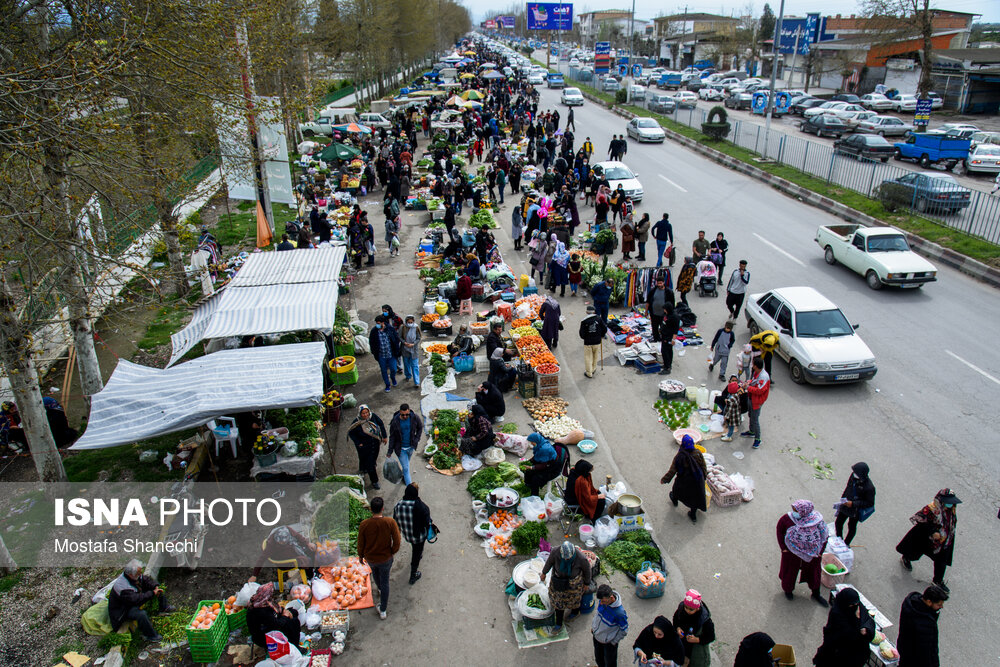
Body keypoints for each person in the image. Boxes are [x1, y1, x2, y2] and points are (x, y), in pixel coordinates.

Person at [896, 488, 961, 592]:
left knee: (941, 561)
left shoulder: (951, 510)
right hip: (926, 539)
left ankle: (937, 581)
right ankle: (906, 558)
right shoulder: (931, 509)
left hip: (943, 541)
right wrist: (933, 532)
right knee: (915, 551)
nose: (950, 505)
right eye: (948, 502)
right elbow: (921, 519)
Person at [776, 499, 829, 606]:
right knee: (790, 573)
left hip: (812, 554)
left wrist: (820, 552)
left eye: (796, 510)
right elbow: (780, 530)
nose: (794, 512)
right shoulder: (787, 519)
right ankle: (788, 590)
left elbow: (824, 536)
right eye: (794, 509)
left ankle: (816, 593)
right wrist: (784, 548)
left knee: (814, 573)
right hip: (792, 553)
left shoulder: (817, 521)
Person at [357, 497, 401, 620]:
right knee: (385, 580)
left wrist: (360, 555)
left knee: (376, 575)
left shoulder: (364, 524)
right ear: (382, 508)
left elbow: (360, 543)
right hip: (385, 559)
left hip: (371, 559)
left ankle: (380, 589)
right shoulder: (390, 522)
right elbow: (397, 541)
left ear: (371, 509)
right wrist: (392, 552)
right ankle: (383, 610)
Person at [108, 559, 173, 641]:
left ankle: (164, 607)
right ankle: (150, 635)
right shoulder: (123, 587)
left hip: (132, 599)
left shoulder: (134, 576)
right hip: (123, 609)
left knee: (158, 589)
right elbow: (136, 600)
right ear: (131, 574)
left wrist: (155, 586)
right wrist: (152, 593)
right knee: (141, 615)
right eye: (138, 573)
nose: (140, 575)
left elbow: (145, 580)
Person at [812, 586, 876, 667]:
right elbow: (842, 635)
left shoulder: (858, 607)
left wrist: (866, 629)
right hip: (836, 654)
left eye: (856, 604)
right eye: (852, 605)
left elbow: (868, 621)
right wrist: (857, 622)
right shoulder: (837, 614)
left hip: (855, 656)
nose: (855, 606)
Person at [542, 541, 592, 633]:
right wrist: (544, 573)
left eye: (568, 558)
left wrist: (586, 583)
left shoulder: (581, 558)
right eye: (564, 558)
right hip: (558, 581)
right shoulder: (555, 551)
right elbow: (549, 562)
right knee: (558, 603)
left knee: (574, 599)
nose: (565, 560)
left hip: (573, 583)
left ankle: (575, 612)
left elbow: (587, 571)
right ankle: (558, 624)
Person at [661, 434, 708, 523]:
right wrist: (704, 477)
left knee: (677, 490)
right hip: (697, 480)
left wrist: (665, 479)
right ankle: (693, 515)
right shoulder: (698, 453)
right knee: (695, 497)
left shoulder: (680, 456)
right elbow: (703, 466)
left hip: (684, 480)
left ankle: (674, 499)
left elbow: (673, 470)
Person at [897, 585, 947, 667]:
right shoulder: (926, 624)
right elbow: (927, 652)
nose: (941, 607)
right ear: (929, 602)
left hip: (904, 649)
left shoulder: (910, 603)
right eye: (939, 605)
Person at [392, 483, 432, 585]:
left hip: (407, 535)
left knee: (415, 548)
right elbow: (427, 523)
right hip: (419, 537)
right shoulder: (422, 507)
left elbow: (395, 522)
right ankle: (413, 575)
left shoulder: (398, 506)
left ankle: (418, 554)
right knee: (416, 553)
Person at [246, 582, 301, 650]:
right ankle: (295, 646)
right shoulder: (261, 610)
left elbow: (277, 610)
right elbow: (277, 624)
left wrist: (284, 611)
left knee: (293, 612)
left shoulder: (262, 601)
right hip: (263, 636)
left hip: (269, 625)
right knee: (293, 622)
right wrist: (285, 616)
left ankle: (292, 638)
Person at [834, 462, 876, 546]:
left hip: (855, 510)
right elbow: (848, 488)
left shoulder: (869, 488)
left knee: (851, 526)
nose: (854, 474)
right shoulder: (853, 477)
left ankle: (846, 543)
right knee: (838, 522)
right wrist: (843, 500)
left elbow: (869, 503)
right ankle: (839, 539)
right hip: (845, 504)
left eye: (856, 472)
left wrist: (853, 504)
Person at [671, 589, 715, 667]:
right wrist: (678, 628)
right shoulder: (681, 610)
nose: (687, 611)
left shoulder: (705, 621)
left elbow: (711, 637)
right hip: (682, 644)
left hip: (696, 650)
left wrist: (697, 639)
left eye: (691, 609)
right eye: (686, 607)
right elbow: (675, 619)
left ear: (697, 608)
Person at [347, 405, 387, 489]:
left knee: (372, 459)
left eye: (366, 412)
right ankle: (375, 481)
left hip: (375, 444)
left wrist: (384, 436)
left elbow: (381, 424)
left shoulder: (373, 417)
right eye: (363, 413)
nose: (365, 415)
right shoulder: (357, 422)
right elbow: (351, 433)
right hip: (364, 446)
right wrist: (358, 443)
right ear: (360, 414)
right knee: (370, 464)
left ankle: (363, 469)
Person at [592, 583, 629, 667]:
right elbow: (598, 615)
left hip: (608, 643)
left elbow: (624, 630)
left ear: (611, 598)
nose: (601, 603)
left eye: (603, 601)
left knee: (610, 662)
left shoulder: (619, 613)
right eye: (600, 600)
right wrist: (594, 627)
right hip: (597, 637)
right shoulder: (603, 602)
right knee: (599, 659)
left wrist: (613, 642)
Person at [388, 403, 423, 486]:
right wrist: (390, 451)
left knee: (406, 465)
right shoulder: (395, 421)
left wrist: (417, 439)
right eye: (402, 415)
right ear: (400, 412)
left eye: (407, 414)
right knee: (406, 468)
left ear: (409, 411)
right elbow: (392, 437)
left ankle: (403, 475)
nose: (405, 416)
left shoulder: (414, 417)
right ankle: (410, 489)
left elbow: (420, 427)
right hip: (401, 449)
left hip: (411, 447)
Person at [523, 432, 564, 497]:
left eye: (532, 442)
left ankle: (534, 496)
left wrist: (532, 467)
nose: (531, 443)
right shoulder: (540, 443)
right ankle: (528, 486)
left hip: (553, 468)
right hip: (546, 463)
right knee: (528, 472)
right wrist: (529, 461)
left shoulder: (544, 449)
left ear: (536, 441)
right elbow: (536, 456)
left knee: (536, 478)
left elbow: (544, 465)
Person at [741, 357, 769, 449]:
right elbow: (754, 381)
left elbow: (759, 390)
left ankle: (757, 439)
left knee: (755, 419)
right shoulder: (756, 373)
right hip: (751, 398)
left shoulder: (763, 377)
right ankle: (751, 431)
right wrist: (748, 382)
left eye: (753, 364)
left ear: (756, 366)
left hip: (757, 401)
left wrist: (747, 387)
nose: (752, 366)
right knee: (750, 415)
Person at [369, 315, 402, 392]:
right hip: (381, 356)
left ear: (383, 323)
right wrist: (374, 352)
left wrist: (397, 350)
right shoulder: (374, 331)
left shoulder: (390, 329)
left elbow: (395, 339)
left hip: (391, 354)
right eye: (376, 323)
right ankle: (387, 384)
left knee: (393, 369)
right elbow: (371, 343)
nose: (377, 325)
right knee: (384, 371)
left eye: (379, 323)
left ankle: (393, 378)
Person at [579, 305, 608, 379]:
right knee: (595, 356)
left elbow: (581, 334)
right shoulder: (599, 318)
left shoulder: (584, 321)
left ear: (586, 312)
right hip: (597, 341)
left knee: (588, 357)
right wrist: (601, 335)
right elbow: (605, 328)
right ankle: (593, 369)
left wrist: (585, 338)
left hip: (588, 342)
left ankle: (589, 373)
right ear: (594, 312)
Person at [646, 273, 673, 343]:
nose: (659, 285)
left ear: (664, 282)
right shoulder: (653, 291)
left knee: (664, 328)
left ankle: (663, 340)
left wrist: (670, 314)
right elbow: (648, 302)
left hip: (664, 314)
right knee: (654, 328)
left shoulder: (669, 292)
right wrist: (646, 311)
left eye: (661, 283)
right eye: (658, 283)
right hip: (654, 314)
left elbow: (672, 304)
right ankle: (656, 339)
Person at [399, 315, 421, 388]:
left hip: (414, 350)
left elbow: (418, 338)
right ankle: (408, 375)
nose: (410, 324)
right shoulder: (402, 328)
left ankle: (416, 382)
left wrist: (413, 344)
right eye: (409, 322)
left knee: (415, 366)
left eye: (411, 322)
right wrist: (404, 343)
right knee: (406, 364)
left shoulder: (416, 328)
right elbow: (400, 337)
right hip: (405, 349)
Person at [659, 304, 681, 375]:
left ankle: (667, 368)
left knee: (666, 352)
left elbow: (675, 330)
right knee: (666, 351)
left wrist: (673, 340)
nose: (664, 310)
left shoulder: (674, 317)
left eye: (665, 309)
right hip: (664, 336)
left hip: (668, 337)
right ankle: (666, 364)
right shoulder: (667, 314)